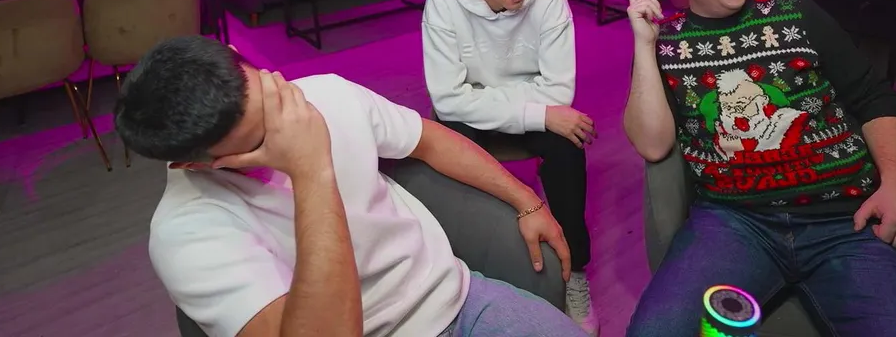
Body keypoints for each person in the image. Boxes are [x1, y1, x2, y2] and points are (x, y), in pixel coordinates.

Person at [114, 35, 587, 337]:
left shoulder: (326, 92)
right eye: (263, 137)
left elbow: (429, 140)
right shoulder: (187, 232)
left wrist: (527, 201)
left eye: (275, 95)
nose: (293, 118)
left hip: (458, 300)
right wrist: (310, 169)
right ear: (196, 164)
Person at [622, 0, 896, 337]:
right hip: (735, 222)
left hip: (843, 220)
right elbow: (652, 145)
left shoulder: (797, 13)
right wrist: (644, 45)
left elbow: (875, 97)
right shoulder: (667, 43)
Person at [421, 0, 599, 335]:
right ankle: (465, 275)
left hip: (505, 106)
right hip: (484, 115)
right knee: (445, 149)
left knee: (568, 145)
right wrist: (536, 111)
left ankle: (574, 272)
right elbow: (447, 100)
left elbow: (559, 91)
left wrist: (483, 97)